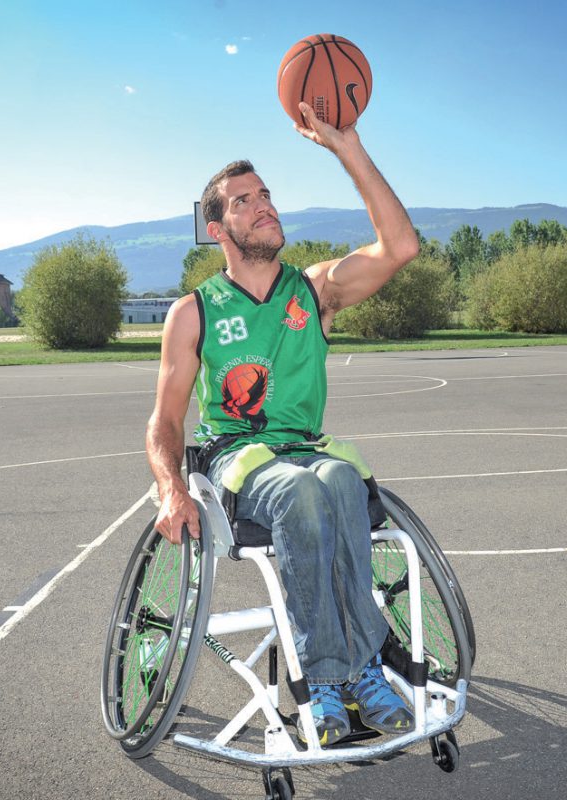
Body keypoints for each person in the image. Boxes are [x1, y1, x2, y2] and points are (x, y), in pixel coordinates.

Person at [145, 101, 420, 746]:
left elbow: (400, 246)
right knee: (301, 491)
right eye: (244, 201)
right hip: (237, 455)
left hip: (305, 448)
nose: (264, 204)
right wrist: (170, 488)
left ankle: (355, 671)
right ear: (218, 228)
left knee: (341, 481)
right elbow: (165, 418)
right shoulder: (194, 313)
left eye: (266, 194)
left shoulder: (314, 289)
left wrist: (344, 146)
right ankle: (326, 680)